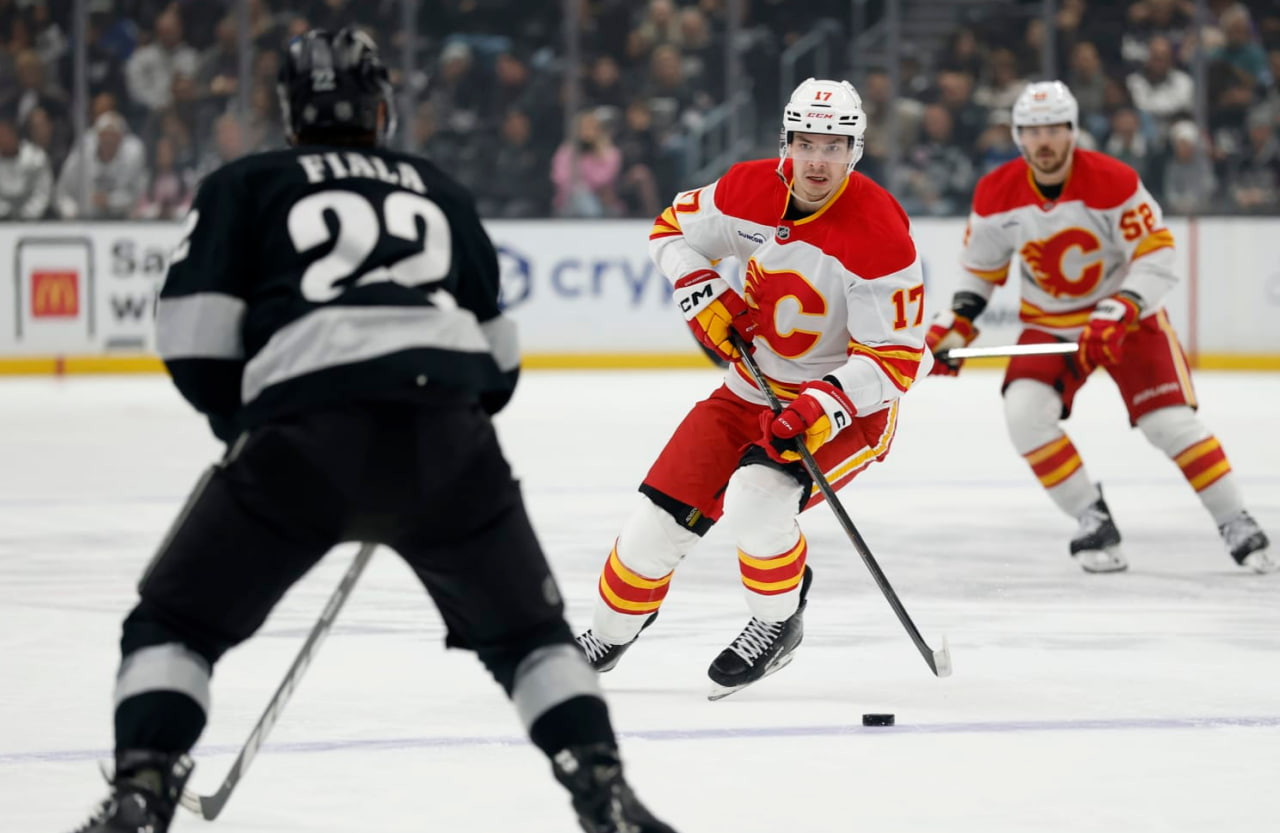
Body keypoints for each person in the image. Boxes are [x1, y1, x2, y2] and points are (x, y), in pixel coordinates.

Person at [67, 29, 677, 833]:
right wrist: (427, 433)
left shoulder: (244, 183)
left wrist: (255, 425)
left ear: (289, 112)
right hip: (449, 441)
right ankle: (603, 790)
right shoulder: (440, 189)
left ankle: (142, 789)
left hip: (301, 437)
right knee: (533, 639)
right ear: (381, 108)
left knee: (172, 625)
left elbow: (193, 339)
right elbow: (498, 362)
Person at [573, 78, 927, 699]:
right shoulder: (746, 188)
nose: (817, 161)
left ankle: (777, 622)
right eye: (806, 143)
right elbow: (670, 231)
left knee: (758, 500)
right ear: (786, 142)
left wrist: (822, 404)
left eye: (834, 146)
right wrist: (698, 285)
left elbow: (895, 359)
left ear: (856, 150)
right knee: (652, 529)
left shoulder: (880, 232)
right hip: (749, 389)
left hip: (849, 407)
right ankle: (609, 632)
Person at [924, 80, 1274, 575]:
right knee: (1025, 414)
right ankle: (1092, 518)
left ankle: (1234, 519)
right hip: (1050, 325)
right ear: (1018, 136)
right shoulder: (996, 192)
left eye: (1053, 129)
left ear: (1072, 131)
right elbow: (980, 270)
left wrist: (1123, 306)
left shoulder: (1113, 180)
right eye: (1032, 131)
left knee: (1169, 424)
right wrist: (958, 319)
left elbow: (1156, 253)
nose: (1043, 141)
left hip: (1130, 323)